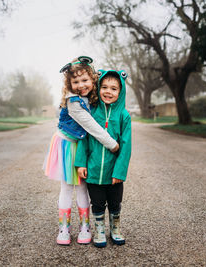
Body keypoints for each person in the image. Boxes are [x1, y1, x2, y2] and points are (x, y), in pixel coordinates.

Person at [43, 57, 119, 246]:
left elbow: (98, 76)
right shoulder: (73, 102)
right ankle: (64, 229)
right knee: (67, 187)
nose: (81, 85)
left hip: (83, 146)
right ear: (69, 85)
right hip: (68, 145)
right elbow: (91, 126)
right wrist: (112, 144)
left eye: (85, 80)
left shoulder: (92, 95)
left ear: (93, 79)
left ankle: (85, 227)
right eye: (75, 82)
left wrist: (83, 65)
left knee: (84, 187)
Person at [75, 69, 131, 248]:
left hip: (114, 172)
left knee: (115, 203)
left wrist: (120, 171)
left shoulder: (124, 116)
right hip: (93, 171)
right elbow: (83, 139)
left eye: (114, 89)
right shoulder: (91, 113)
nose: (108, 91)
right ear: (98, 88)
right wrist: (81, 163)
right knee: (97, 203)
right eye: (104, 87)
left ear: (120, 92)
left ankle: (115, 228)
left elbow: (126, 146)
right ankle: (99, 229)